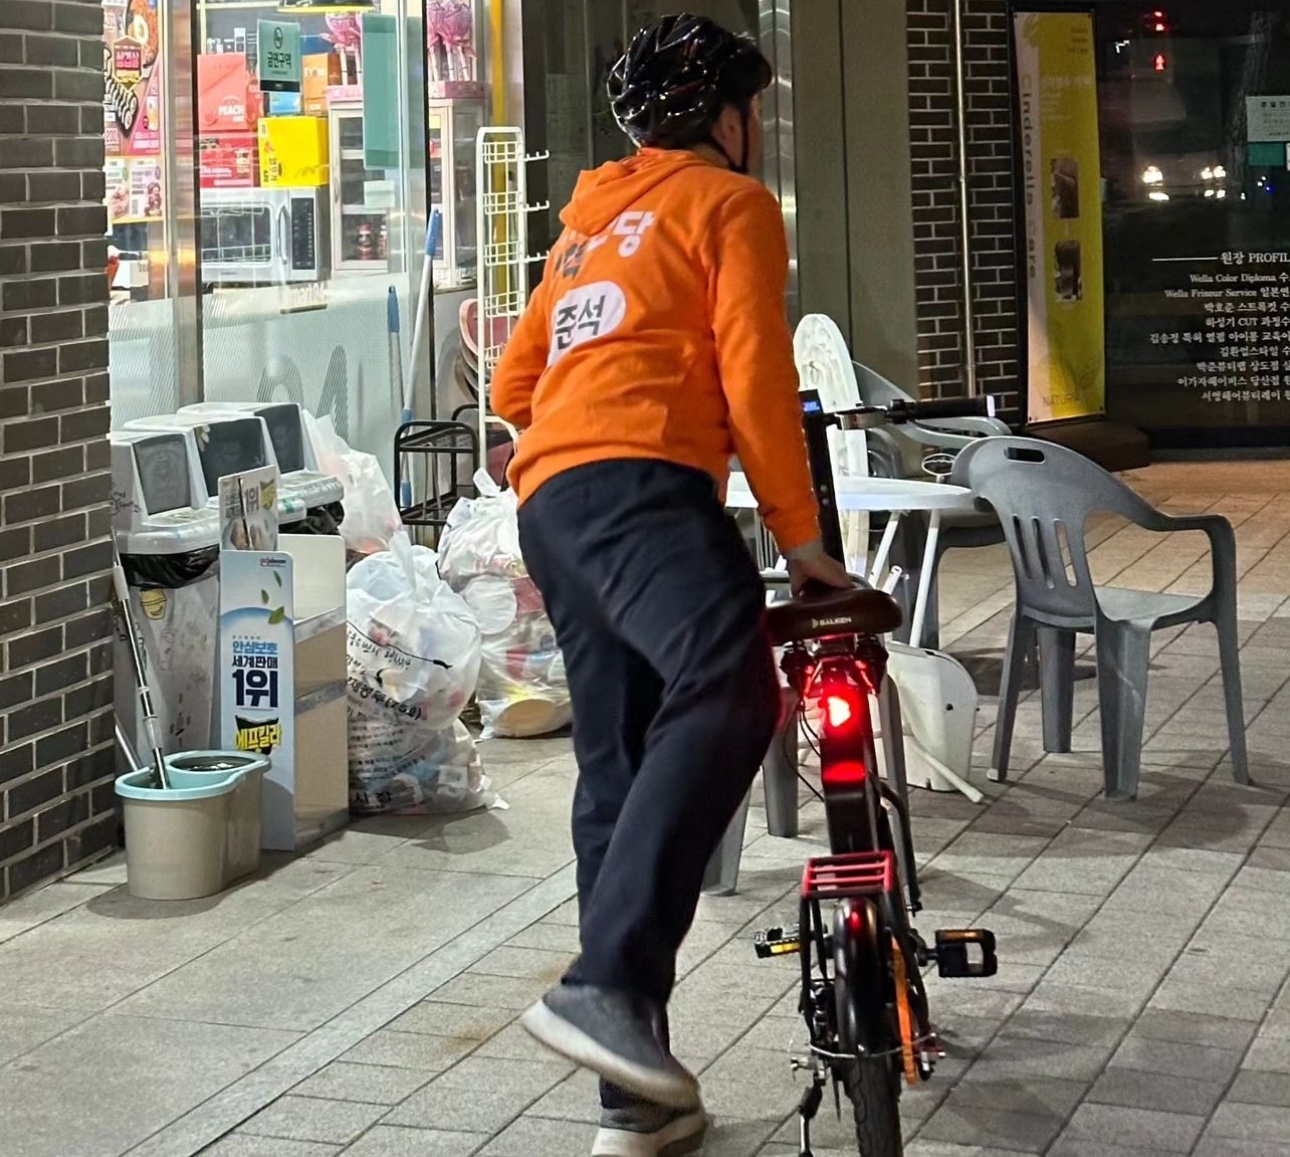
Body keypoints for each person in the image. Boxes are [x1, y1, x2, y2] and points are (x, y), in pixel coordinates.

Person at [490, 13, 850, 1156]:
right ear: (732, 121)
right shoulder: (731, 205)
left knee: (617, 769)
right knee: (733, 684)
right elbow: (755, 371)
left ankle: (633, 1103)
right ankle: (606, 982)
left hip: (553, 503)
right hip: (646, 483)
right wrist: (803, 541)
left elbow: (513, 381)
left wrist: (566, 432)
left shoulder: (585, 234)